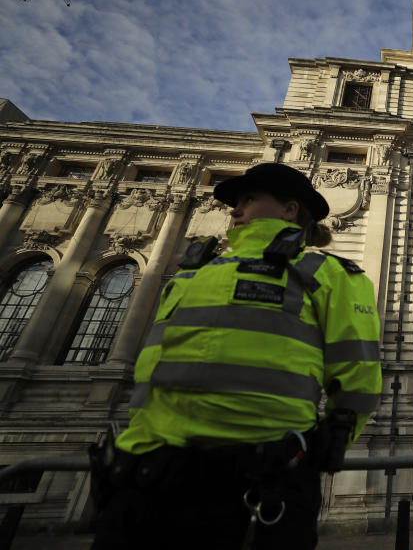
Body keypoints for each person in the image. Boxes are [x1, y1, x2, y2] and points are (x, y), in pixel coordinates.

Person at [89, 163, 383, 550]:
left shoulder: (327, 274)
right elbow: (152, 370)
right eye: (235, 201)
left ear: (290, 209)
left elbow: (358, 372)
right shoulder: (192, 272)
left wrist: (336, 438)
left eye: (248, 199)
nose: (234, 209)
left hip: (263, 475)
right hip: (153, 470)